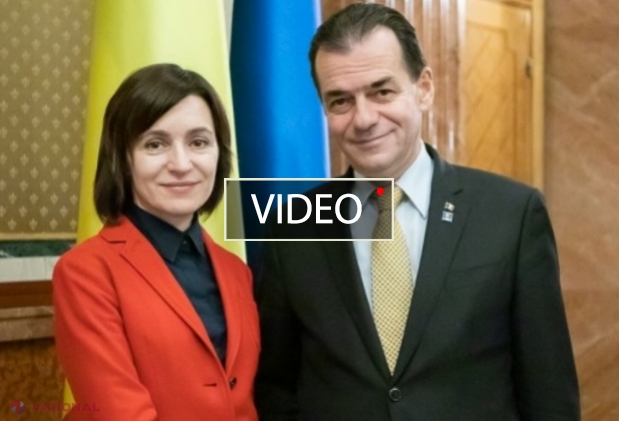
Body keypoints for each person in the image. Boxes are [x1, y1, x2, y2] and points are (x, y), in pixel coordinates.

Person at [254, 4, 580, 421]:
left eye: (382, 92)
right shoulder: (293, 224)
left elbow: (549, 391)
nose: (364, 118)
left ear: (423, 88)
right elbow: (276, 386)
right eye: (340, 101)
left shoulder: (511, 215)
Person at [53, 64, 259, 421]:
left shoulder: (237, 271)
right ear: (123, 158)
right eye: (155, 144)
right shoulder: (85, 273)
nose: (181, 164)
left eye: (198, 142)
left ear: (219, 152)